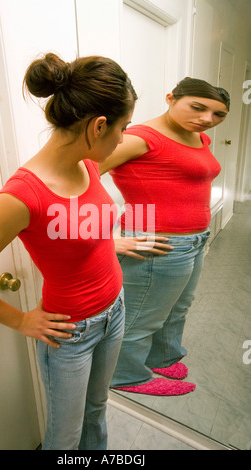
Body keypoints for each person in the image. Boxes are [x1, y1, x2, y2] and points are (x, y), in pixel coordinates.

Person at [0, 53, 139, 450]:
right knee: (65, 438)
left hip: (115, 310)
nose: (123, 138)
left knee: (97, 410)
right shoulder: (21, 196)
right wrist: (21, 321)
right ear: (98, 126)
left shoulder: (88, 164)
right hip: (71, 333)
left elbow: (78, 227)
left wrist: (109, 241)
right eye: (122, 128)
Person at [99, 77, 230, 396]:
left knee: (178, 306)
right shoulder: (140, 138)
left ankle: (162, 355)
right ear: (171, 98)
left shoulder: (198, 137)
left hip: (195, 238)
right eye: (197, 108)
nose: (206, 120)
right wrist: (104, 238)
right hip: (157, 242)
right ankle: (124, 375)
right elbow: (74, 177)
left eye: (217, 115)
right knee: (142, 313)